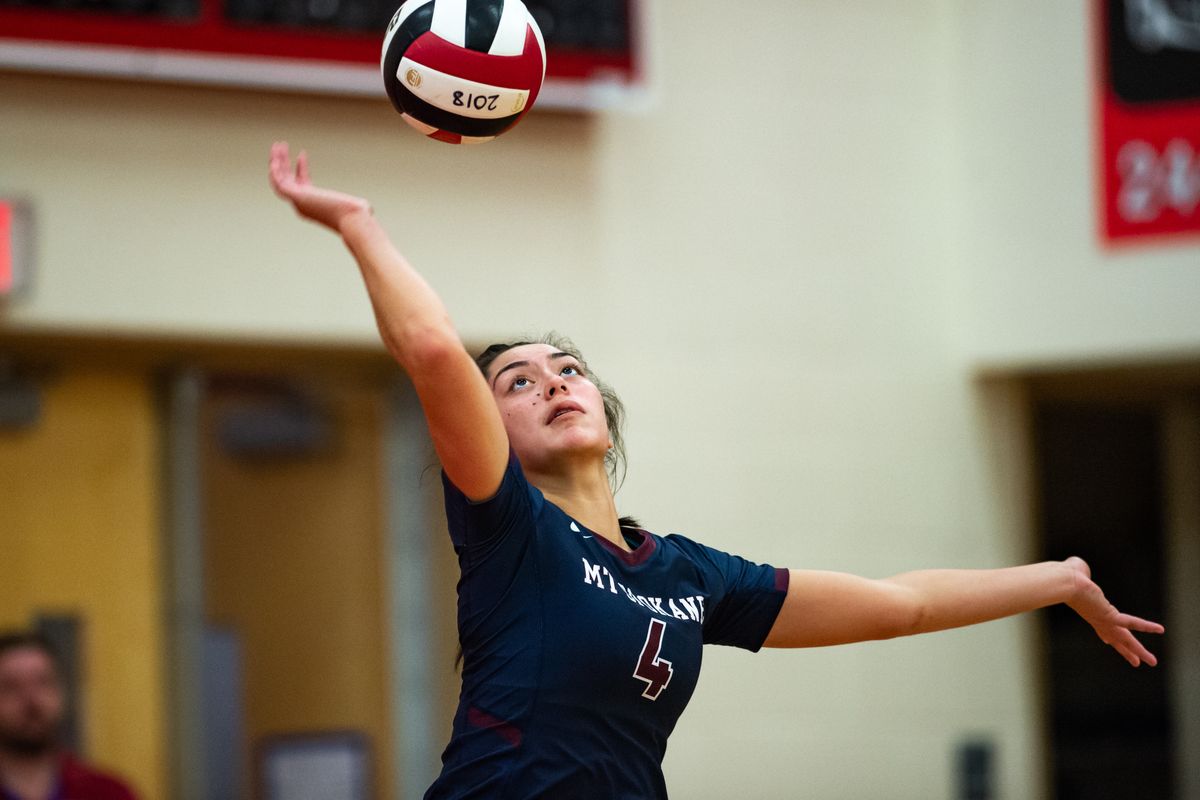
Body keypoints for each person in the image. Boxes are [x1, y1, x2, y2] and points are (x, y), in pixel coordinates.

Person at [267, 142, 1165, 799]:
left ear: (602, 412)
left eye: (568, 369)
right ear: (490, 426)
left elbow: (902, 606)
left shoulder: (688, 575)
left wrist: (1059, 578)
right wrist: (359, 225)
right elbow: (428, 348)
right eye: (517, 380)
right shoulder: (510, 529)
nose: (553, 383)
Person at [0, 632, 139, 800]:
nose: (32, 700)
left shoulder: (109, 793)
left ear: (61, 692)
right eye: (11, 686)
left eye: (43, 682)